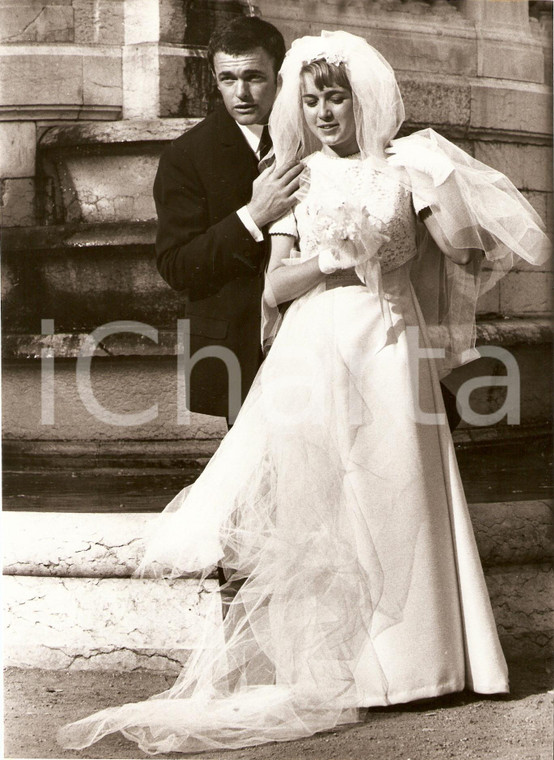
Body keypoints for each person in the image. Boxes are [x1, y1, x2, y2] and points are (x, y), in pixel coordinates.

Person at [59, 31, 549, 755]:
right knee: (306, 500)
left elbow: (471, 253)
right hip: (304, 349)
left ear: (360, 99)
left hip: (388, 344)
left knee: (397, 491)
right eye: (310, 98)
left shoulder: (404, 166)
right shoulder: (283, 174)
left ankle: (427, 662)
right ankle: (315, 665)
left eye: (333, 97)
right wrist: (321, 253)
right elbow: (258, 278)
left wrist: (443, 186)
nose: (318, 110)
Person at [153, 15, 303, 422]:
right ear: (214, 79)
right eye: (228, 78)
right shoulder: (185, 157)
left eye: (254, 76)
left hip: (318, 334)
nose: (241, 92)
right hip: (239, 346)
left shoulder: (316, 137)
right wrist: (252, 217)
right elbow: (176, 266)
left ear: (280, 73)